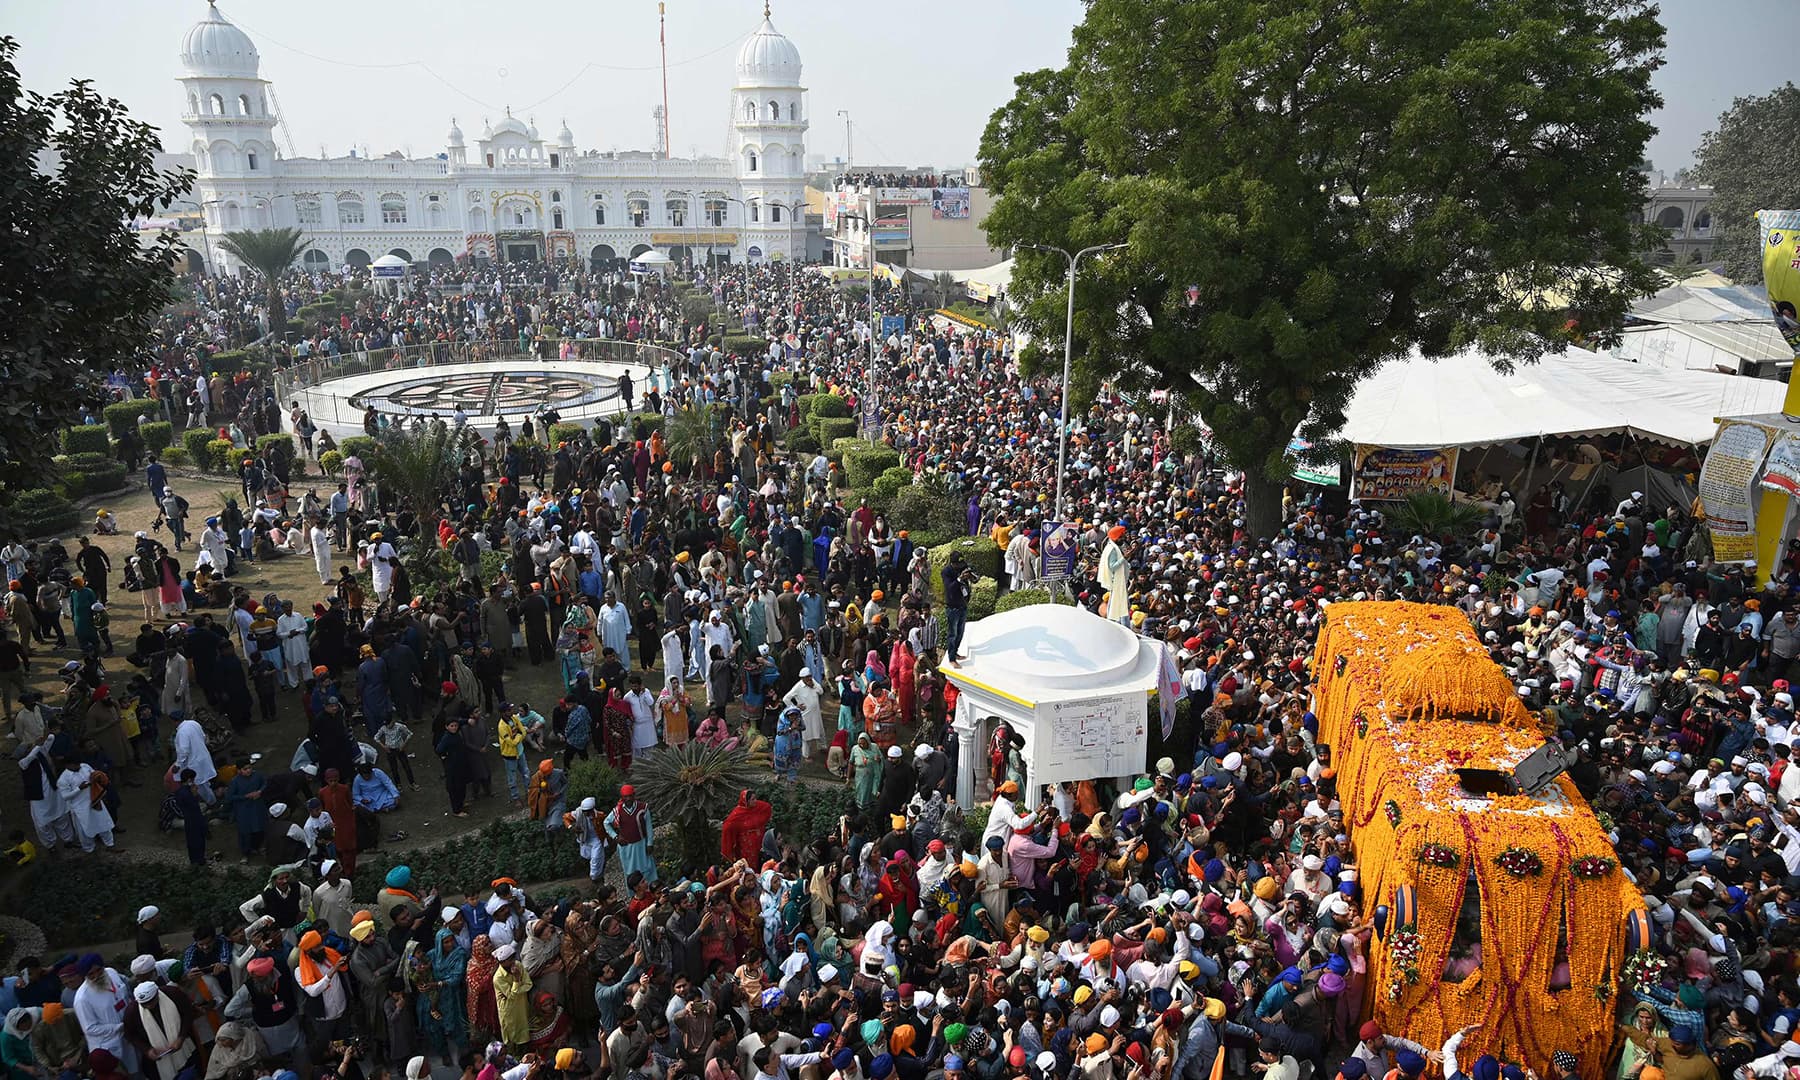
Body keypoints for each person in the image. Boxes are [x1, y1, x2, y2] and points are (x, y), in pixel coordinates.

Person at [604, 785, 655, 885]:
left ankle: (651, 889)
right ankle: (633, 894)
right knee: (630, 872)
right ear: (622, 797)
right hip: (626, 847)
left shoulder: (643, 808)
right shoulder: (617, 810)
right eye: (625, 796)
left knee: (647, 868)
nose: (628, 799)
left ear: (634, 795)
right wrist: (615, 836)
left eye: (630, 796)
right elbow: (606, 823)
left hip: (641, 844)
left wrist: (650, 843)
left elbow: (649, 827)